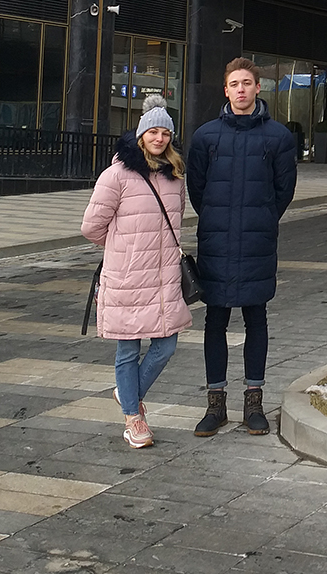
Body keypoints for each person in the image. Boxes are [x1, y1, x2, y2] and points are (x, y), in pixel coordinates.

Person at [187, 58, 297, 437]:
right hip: (216, 242)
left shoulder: (278, 137)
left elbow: (283, 191)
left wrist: (261, 217)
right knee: (214, 321)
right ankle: (215, 404)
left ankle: (254, 402)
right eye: (234, 84)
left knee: (256, 319)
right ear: (226, 90)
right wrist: (218, 218)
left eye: (247, 83)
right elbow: (197, 190)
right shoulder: (205, 137)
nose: (241, 89)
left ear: (257, 88)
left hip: (256, 242)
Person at [82, 95, 192, 449]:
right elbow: (91, 226)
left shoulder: (175, 175)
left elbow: (177, 218)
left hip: (164, 277)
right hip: (128, 277)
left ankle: (128, 393)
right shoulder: (117, 175)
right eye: (153, 132)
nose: (159, 138)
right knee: (128, 350)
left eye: (165, 133)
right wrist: (124, 249)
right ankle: (133, 417)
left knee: (167, 345)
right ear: (141, 134)